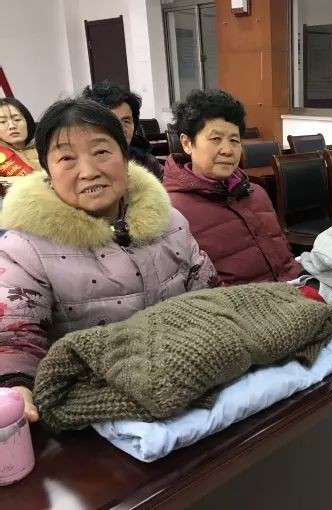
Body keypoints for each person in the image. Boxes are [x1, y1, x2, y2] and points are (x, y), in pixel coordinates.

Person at [0, 98, 218, 421]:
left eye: (102, 152)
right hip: (96, 410)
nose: (89, 172)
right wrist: (17, 388)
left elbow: (209, 296)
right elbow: (14, 337)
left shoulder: (170, 222)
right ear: (48, 172)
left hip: (190, 386)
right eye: (67, 158)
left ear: (125, 157)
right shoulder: (24, 247)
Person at [163, 89, 301, 286]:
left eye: (234, 140)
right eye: (215, 139)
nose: (227, 150)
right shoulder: (171, 210)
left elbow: (284, 257)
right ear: (187, 143)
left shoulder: (256, 192)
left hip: (295, 289)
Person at [81, 81, 163, 180]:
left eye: (126, 121)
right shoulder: (78, 167)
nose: (121, 128)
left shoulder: (147, 163)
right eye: (111, 121)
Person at [0, 97, 41, 184]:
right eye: (2, 121)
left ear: (27, 121)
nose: (12, 126)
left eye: (17, 119)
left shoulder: (47, 146)